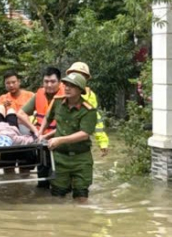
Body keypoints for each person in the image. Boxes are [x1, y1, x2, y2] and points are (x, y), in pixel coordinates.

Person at [37, 72, 97, 203]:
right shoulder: (58, 102)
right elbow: (48, 117)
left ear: (80, 90)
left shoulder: (89, 110)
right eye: (66, 85)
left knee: (82, 196)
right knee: (58, 196)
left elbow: (84, 133)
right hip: (60, 157)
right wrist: (41, 133)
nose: (67, 88)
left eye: (72, 86)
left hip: (81, 158)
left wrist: (60, 140)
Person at [17, 67, 64, 187]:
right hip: (41, 141)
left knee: (61, 181)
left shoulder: (67, 96)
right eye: (46, 81)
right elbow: (21, 114)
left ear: (60, 82)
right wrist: (35, 130)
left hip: (61, 141)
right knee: (42, 179)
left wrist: (46, 135)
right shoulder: (38, 95)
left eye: (52, 81)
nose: (49, 85)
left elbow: (70, 124)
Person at [65, 62, 109, 156]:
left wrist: (102, 142)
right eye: (74, 74)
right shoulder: (62, 91)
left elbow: (96, 120)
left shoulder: (90, 96)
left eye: (81, 75)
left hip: (80, 140)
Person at [0, 70, 35, 174]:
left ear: (19, 82)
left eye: (13, 82)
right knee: (8, 169)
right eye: (8, 83)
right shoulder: (3, 98)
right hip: (9, 137)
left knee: (26, 169)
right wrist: (3, 107)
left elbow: (37, 114)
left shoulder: (30, 96)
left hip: (26, 135)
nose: (11, 85)